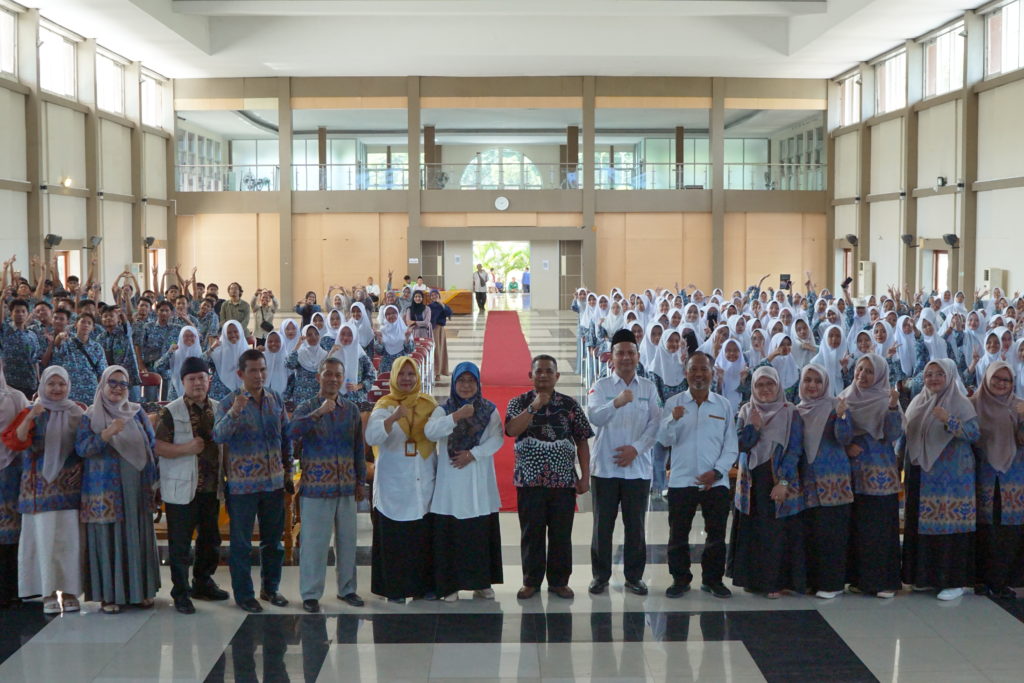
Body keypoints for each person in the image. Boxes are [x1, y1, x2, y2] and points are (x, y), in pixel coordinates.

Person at [213, 349, 293, 613]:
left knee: (274, 541)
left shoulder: (275, 399)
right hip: (242, 485)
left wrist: (288, 471)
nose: (259, 376)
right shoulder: (228, 403)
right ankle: (244, 594)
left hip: (273, 483)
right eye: (253, 371)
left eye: (262, 370)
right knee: (242, 543)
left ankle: (270, 589)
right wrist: (235, 411)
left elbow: (285, 436)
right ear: (240, 374)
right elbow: (218, 436)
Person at [505, 355, 592, 600]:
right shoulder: (518, 402)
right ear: (530, 376)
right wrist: (534, 406)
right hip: (529, 481)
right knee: (531, 533)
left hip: (563, 482)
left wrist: (585, 476)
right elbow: (512, 430)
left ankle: (559, 582)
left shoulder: (570, 405)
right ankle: (530, 582)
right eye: (538, 371)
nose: (543, 375)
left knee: (561, 534)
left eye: (548, 371)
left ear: (557, 376)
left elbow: (582, 439)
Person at [75, 365, 160, 613]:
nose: (118, 388)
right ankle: (109, 596)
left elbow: (152, 447)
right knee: (108, 539)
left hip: (135, 489)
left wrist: (154, 484)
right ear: (102, 384)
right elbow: (82, 449)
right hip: (104, 491)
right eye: (112, 382)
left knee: (136, 536)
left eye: (123, 384)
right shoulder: (90, 416)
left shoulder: (137, 413)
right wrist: (106, 434)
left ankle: (140, 591)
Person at [1, 366, 84, 614]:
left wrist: (81, 468)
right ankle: (47, 593)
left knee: (68, 543)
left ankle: (70, 592)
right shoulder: (31, 411)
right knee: (43, 542)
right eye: (51, 384)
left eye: (61, 384)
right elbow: (15, 441)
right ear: (43, 386)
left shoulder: (76, 412)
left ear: (68, 385)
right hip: (37, 491)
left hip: (68, 490)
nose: (57, 389)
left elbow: (85, 446)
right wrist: (29, 416)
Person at [288, 356, 366, 613]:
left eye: (337, 375)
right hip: (316, 488)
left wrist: (359, 481)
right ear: (318, 377)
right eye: (328, 374)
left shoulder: (351, 410)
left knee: (347, 541)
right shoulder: (306, 407)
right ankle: (311, 593)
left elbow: (358, 449)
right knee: (314, 543)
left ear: (343, 379)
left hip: (345, 486)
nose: (333, 379)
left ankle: (347, 589)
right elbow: (291, 433)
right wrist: (318, 413)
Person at [587, 328, 662, 596]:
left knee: (635, 526)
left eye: (631, 353)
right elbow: (594, 417)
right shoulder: (601, 386)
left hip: (638, 469)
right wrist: (616, 403)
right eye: (621, 353)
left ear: (638, 356)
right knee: (602, 526)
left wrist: (637, 449)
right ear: (612, 357)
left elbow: (656, 424)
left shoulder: (649, 388)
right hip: (605, 469)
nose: (626, 358)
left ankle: (634, 577)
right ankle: (600, 576)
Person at [656, 352, 737, 599]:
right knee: (678, 533)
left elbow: (731, 445)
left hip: (717, 481)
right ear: (686, 373)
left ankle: (712, 580)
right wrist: (672, 420)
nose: (699, 374)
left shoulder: (723, 404)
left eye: (704, 370)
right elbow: (664, 440)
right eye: (694, 370)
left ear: (713, 374)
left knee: (716, 532)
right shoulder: (674, 403)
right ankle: (680, 579)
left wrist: (717, 472)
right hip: (682, 479)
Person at [154, 356, 229, 615]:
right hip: (181, 488)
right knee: (180, 544)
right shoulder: (171, 411)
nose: (197, 382)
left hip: (210, 487)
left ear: (209, 379)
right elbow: (157, 446)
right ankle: (181, 592)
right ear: (183, 382)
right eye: (192, 379)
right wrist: (186, 448)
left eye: (202, 377)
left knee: (210, 540)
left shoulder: (219, 408)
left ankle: (203, 583)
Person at [902, 357, 980, 600]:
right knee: (922, 524)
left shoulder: (961, 403)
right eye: (929, 374)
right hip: (921, 474)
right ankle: (924, 578)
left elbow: (974, 433)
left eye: (939, 374)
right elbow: (906, 436)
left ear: (949, 376)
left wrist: (949, 420)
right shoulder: (917, 401)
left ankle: (954, 581)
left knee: (949, 526)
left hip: (952, 479)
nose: (933, 379)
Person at [425, 362, 503, 602]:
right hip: (450, 482)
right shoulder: (444, 409)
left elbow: (497, 439)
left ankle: (481, 583)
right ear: (454, 383)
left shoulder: (489, 410)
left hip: (477, 478)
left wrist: (473, 454)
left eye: (471, 381)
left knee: (477, 532)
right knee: (452, 533)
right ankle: (450, 585)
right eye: (461, 381)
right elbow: (430, 432)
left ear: (478, 383)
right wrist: (456, 416)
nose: (466, 386)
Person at [365, 357, 438, 602]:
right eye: (402, 374)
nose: (407, 379)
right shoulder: (384, 405)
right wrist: (392, 417)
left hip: (422, 479)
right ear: (394, 377)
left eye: (411, 374)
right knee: (396, 538)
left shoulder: (429, 403)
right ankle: (394, 589)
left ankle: (421, 587)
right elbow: (372, 437)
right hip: (394, 483)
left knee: (421, 538)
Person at [728, 366, 806, 598]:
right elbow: (740, 444)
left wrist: (783, 481)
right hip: (751, 482)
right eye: (760, 385)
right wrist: (753, 426)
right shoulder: (746, 410)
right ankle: (753, 580)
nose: (765, 389)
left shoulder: (790, 411)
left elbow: (795, 449)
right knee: (754, 531)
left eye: (769, 384)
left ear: (778, 385)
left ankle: (775, 582)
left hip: (778, 479)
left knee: (776, 532)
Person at [838, 353, 903, 598]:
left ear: (880, 375)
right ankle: (859, 579)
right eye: (859, 369)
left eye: (868, 371)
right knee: (857, 528)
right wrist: (846, 446)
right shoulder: (845, 396)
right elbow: (836, 433)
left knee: (879, 529)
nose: (862, 375)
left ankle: (884, 581)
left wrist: (893, 408)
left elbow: (893, 434)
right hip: (852, 474)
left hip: (880, 475)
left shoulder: (886, 398)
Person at [795, 364, 855, 599]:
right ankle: (813, 580)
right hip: (807, 482)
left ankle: (832, 583)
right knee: (811, 533)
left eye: (817, 381)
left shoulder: (835, 405)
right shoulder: (797, 410)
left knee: (833, 535)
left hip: (834, 481)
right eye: (807, 380)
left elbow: (846, 438)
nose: (812, 385)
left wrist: (841, 416)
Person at [971, 361, 1024, 598]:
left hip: (1013, 476)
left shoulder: (1019, 406)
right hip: (982, 474)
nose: (1001, 384)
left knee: (1008, 531)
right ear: (987, 378)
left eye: (1006, 380)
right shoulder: (973, 404)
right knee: (984, 529)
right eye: (997, 379)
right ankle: (981, 579)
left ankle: (1002, 581)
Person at [0, 360, 29, 607]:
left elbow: (27, 432)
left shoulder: (16, 397)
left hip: (11, 471)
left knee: (12, 532)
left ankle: (13, 588)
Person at [49, 312, 107, 404]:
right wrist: (59, 337)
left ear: (93, 328)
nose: (86, 325)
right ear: (76, 325)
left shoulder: (97, 347)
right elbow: (57, 347)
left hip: (91, 392)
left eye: (89, 323)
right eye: (83, 322)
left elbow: (102, 372)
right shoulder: (67, 342)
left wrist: (102, 392)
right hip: (69, 392)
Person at [0, 298, 41, 399]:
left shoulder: (32, 335)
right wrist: (2, 299)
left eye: (23, 311)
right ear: (11, 314)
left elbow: (35, 359)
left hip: (29, 382)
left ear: (28, 313)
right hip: (10, 382)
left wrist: (38, 379)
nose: (20, 314)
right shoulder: (6, 331)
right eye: (17, 311)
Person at [154, 326, 203, 402]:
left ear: (196, 337)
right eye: (186, 336)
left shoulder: (200, 354)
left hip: (195, 393)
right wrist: (169, 353)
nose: (189, 338)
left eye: (192, 336)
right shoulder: (175, 353)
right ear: (180, 337)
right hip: (175, 393)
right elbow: (157, 367)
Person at [205, 320, 251, 401]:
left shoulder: (247, 351)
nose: (233, 335)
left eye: (236, 331)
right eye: (229, 332)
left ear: (240, 332)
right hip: (220, 390)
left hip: (242, 391)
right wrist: (212, 348)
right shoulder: (218, 350)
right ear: (224, 334)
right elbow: (201, 362)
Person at [286, 325, 329, 405]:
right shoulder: (300, 353)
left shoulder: (324, 354)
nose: (314, 337)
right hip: (301, 398)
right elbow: (290, 364)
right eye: (309, 335)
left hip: (318, 398)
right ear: (304, 337)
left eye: (316, 334)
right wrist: (298, 345)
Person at [374, 305, 415, 374]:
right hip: (386, 367)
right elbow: (379, 352)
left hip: (402, 365)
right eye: (388, 314)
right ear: (385, 316)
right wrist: (379, 340)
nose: (391, 316)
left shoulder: (405, 330)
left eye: (393, 313)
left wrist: (407, 338)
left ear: (398, 314)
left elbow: (410, 350)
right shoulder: (381, 331)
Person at [427, 290, 453, 381]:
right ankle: (434, 372)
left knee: (440, 351)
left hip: (440, 330)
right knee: (434, 351)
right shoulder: (429, 307)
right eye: (432, 295)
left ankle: (439, 372)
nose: (434, 296)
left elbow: (449, 313)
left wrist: (441, 304)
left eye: (435, 294)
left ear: (438, 295)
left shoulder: (443, 305)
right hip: (432, 330)